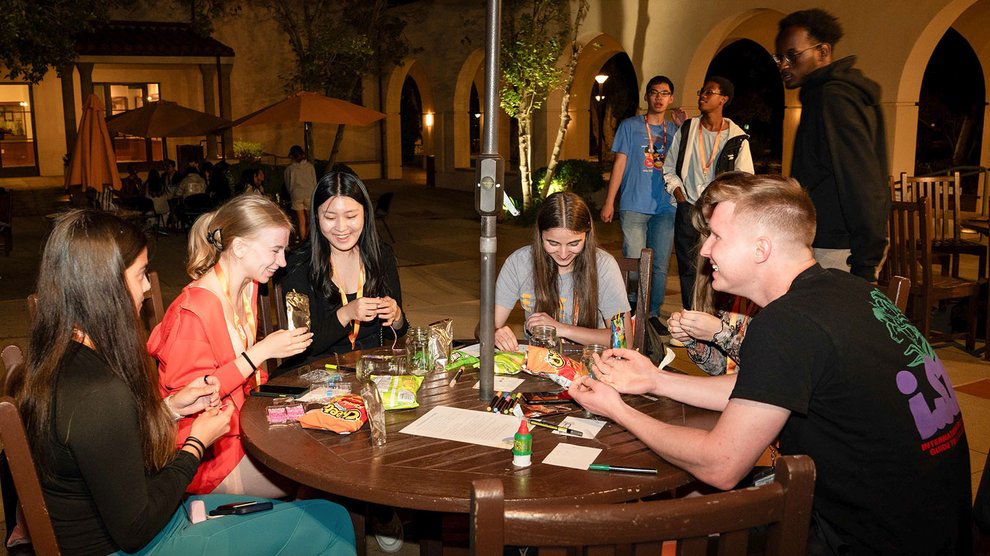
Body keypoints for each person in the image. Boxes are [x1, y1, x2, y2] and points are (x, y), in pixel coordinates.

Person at [569, 174, 971, 555]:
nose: (705, 249)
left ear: (761, 249)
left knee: (656, 529)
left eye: (717, 237)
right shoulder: (847, 290)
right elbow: (762, 388)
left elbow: (720, 464)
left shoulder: (786, 324)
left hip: (870, 540)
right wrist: (654, 381)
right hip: (938, 528)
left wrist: (617, 409)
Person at [15, 209, 356, 555]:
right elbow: (135, 528)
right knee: (333, 522)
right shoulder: (97, 391)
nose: (149, 287)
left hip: (145, 520)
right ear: (104, 286)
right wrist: (196, 444)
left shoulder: (66, 360)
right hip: (139, 542)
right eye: (141, 274)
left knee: (321, 510)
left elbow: (106, 447)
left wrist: (170, 409)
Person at [149, 195, 314, 497]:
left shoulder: (248, 286)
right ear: (238, 247)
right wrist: (261, 352)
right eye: (275, 250)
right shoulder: (193, 311)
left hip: (243, 426)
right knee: (316, 472)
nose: (283, 262)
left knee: (321, 436)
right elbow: (193, 398)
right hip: (207, 450)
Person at [776, 9, 889, 281]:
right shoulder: (821, 96)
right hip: (827, 243)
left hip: (838, 248)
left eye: (792, 55)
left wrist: (865, 262)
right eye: (779, 57)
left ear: (823, 51)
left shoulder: (834, 98)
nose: (783, 65)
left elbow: (860, 180)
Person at [279, 171, 408, 369]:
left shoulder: (381, 255)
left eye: (351, 216)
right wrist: (346, 313)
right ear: (316, 216)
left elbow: (399, 331)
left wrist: (396, 316)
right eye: (330, 217)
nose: (341, 228)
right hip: (318, 371)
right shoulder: (298, 265)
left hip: (371, 367)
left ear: (365, 212)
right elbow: (302, 346)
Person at [494, 191, 631, 350]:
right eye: (553, 243)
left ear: (586, 236)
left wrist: (561, 329)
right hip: (538, 362)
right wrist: (494, 332)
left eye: (574, 244)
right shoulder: (519, 263)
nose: (563, 254)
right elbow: (485, 326)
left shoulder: (604, 266)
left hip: (590, 361)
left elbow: (623, 340)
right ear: (540, 235)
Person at [600, 75, 684, 329]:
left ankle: (652, 314)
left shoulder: (678, 129)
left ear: (671, 98)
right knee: (634, 261)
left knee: (659, 264)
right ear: (646, 96)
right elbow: (620, 163)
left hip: (666, 205)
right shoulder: (630, 126)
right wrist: (609, 201)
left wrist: (684, 126)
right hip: (634, 203)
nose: (659, 97)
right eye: (654, 92)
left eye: (665, 93)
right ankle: (634, 309)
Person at [662, 76, 753, 309]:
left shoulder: (736, 138)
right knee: (688, 267)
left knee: (719, 265)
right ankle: (690, 316)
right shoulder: (688, 128)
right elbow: (669, 167)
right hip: (688, 207)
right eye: (702, 91)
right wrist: (680, 196)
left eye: (709, 92)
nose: (703, 95)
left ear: (723, 99)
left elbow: (746, 179)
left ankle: (712, 317)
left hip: (719, 213)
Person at [668, 172, 758, 376]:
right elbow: (722, 368)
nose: (704, 250)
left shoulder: (779, 298)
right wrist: (692, 339)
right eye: (707, 234)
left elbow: (769, 370)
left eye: (717, 236)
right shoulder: (729, 288)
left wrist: (720, 333)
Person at [284, 145, 318, 240]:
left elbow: (288, 184)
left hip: (296, 194)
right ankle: (310, 239)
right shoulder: (309, 167)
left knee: (301, 220)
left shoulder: (289, 169)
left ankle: (303, 241)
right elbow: (314, 181)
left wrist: (291, 192)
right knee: (310, 219)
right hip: (309, 193)